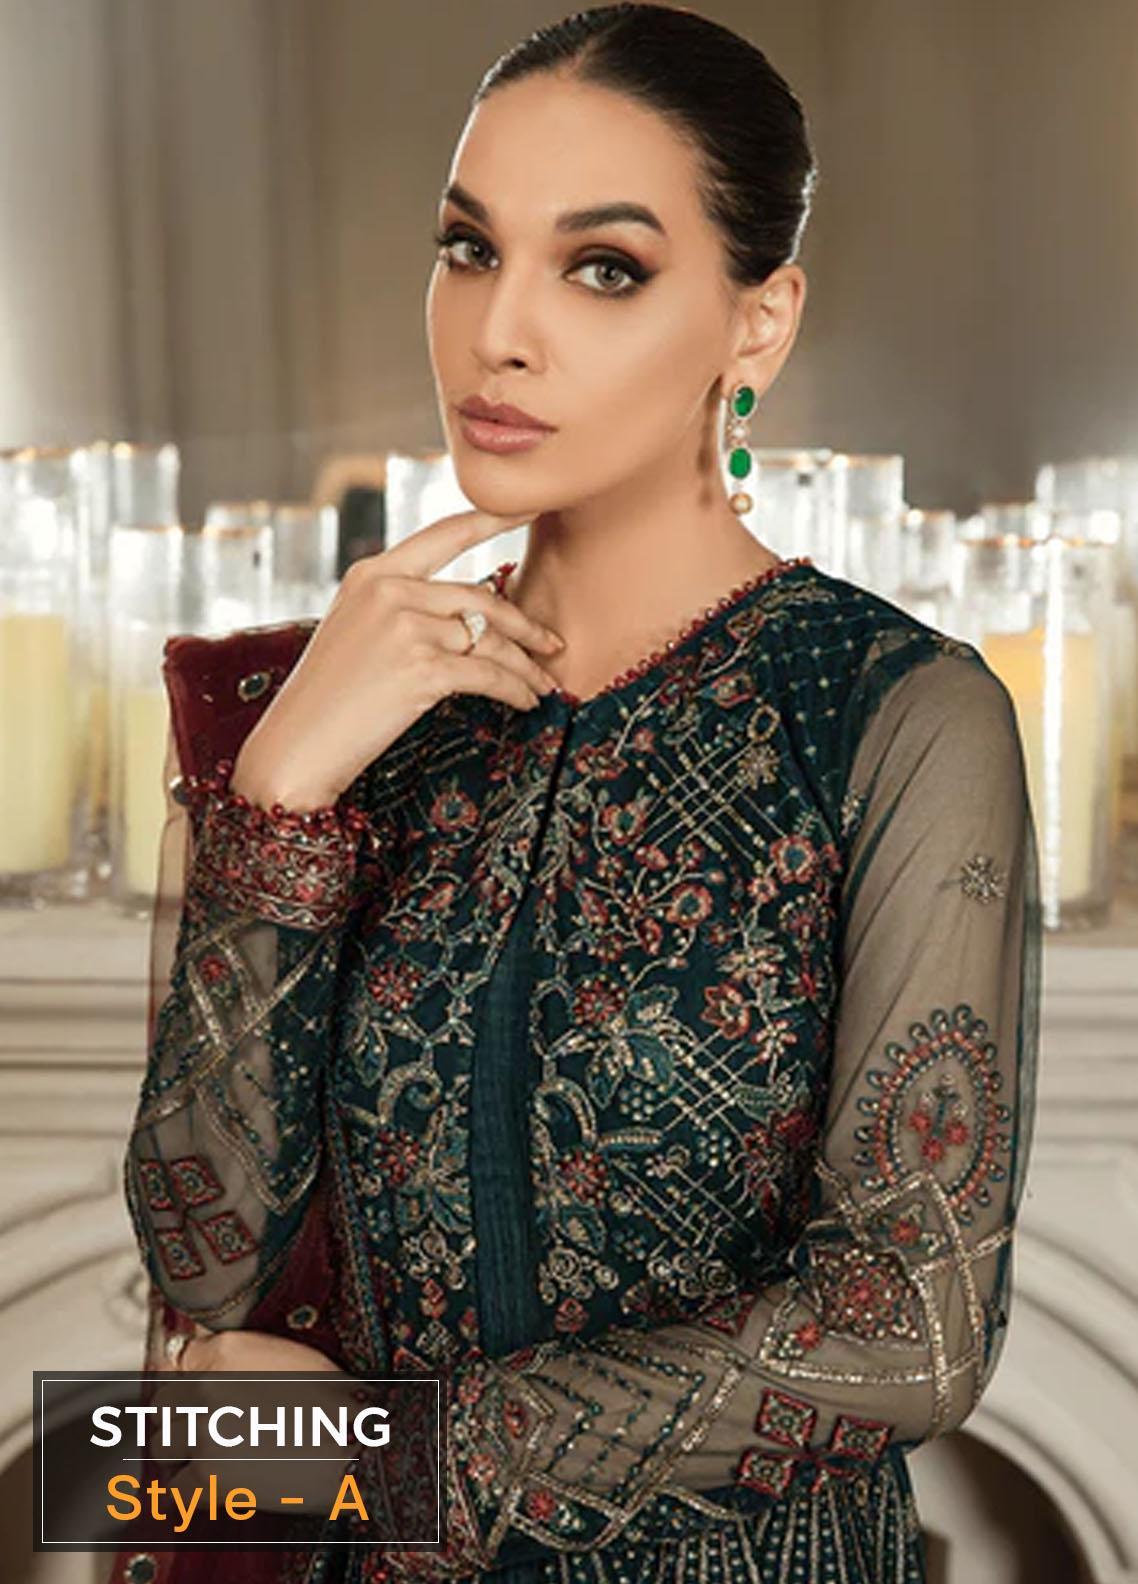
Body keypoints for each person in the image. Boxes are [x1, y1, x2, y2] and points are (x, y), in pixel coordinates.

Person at [115, 5, 1041, 1582]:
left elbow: (909, 1330)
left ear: (759, 323)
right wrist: (279, 791)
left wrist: (383, 1456)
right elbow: (201, 1283)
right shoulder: (345, 709)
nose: (498, 331)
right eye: (469, 249)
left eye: (601, 268)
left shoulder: (893, 717)